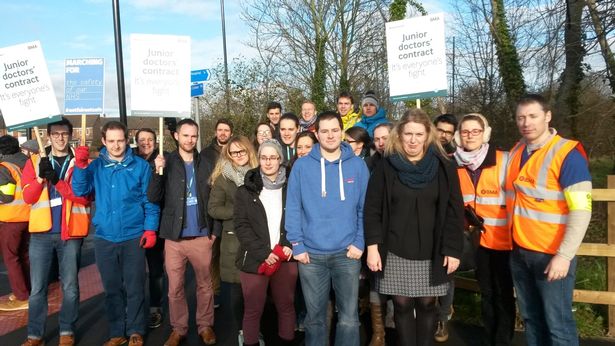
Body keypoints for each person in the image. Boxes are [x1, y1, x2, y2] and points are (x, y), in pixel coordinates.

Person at [364, 109, 463, 346]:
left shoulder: (444, 166)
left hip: (433, 249)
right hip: (395, 247)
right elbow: (372, 209)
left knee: (428, 303)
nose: (413, 140)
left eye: (419, 134)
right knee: (401, 304)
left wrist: (453, 248)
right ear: (399, 135)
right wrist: (372, 247)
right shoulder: (386, 167)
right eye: (408, 133)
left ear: (428, 135)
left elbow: (453, 211)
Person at [506, 94, 592, 346]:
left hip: (551, 254)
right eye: (521, 117)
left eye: (533, 116)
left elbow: (581, 209)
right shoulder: (517, 149)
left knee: (558, 324)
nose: (526, 122)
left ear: (548, 116)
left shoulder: (567, 153)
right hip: (520, 251)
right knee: (532, 319)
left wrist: (564, 255)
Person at [72, 121, 160, 346]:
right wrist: (81, 167)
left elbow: (150, 201)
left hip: (133, 236)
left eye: (120, 140)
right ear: (103, 141)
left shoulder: (140, 167)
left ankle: (135, 330)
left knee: (134, 286)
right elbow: (80, 192)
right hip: (105, 237)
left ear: (126, 140)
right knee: (112, 289)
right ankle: (116, 332)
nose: (116, 145)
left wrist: (150, 228)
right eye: (111, 141)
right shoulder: (96, 167)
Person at [286, 111, 370, 346]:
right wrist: (297, 244)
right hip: (310, 255)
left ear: (342, 131)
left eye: (335, 130)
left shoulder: (358, 167)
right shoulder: (302, 167)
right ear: (317, 133)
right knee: (315, 319)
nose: (330, 135)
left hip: (347, 253)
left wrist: (359, 242)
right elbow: (293, 208)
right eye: (324, 131)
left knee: (349, 318)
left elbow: (366, 209)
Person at [19, 118, 91, 346]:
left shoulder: (80, 162)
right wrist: (41, 177)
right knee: (37, 288)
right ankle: (34, 335)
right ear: (48, 136)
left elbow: (84, 196)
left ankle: (67, 330)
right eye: (56, 134)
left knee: (70, 286)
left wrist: (57, 180)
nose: (60, 138)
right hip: (41, 233)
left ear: (70, 135)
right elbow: (29, 198)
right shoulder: (34, 161)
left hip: (70, 233)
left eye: (64, 134)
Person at [147, 119, 217, 346]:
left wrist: (214, 231)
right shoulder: (165, 162)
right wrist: (157, 172)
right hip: (174, 238)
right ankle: (179, 329)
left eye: (194, 136)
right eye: (185, 135)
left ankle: (205, 326)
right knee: (174, 288)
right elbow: (153, 197)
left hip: (202, 235)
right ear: (176, 136)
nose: (190, 140)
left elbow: (215, 197)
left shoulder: (207, 162)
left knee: (205, 286)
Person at [453, 113, 514, 345]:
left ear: (485, 134)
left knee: (503, 295)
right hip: (475, 241)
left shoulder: (504, 159)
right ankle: (490, 338)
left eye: (475, 131)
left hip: (503, 241)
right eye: (466, 132)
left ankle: (503, 340)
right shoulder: (453, 162)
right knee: (487, 294)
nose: (470, 136)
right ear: (459, 136)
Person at [234, 139, 298, 346]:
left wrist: (288, 243)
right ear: (258, 159)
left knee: (286, 306)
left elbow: (299, 219)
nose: (268, 162)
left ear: (280, 159)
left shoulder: (292, 188)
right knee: (253, 309)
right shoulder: (245, 191)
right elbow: (242, 226)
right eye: (263, 157)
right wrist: (263, 253)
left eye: (273, 157)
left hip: (285, 257)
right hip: (255, 259)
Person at [208, 135, 258, 344]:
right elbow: (214, 208)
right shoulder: (223, 178)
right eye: (233, 152)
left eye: (242, 151)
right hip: (233, 239)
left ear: (249, 152)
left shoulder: (260, 175)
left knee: (256, 292)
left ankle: (255, 330)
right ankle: (241, 331)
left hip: (258, 239)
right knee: (238, 293)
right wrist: (239, 210)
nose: (238, 156)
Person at [134, 128, 166, 329]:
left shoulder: (164, 160)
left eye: (150, 139)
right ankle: (135, 308)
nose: (146, 143)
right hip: (135, 224)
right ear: (136, 142)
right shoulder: (130, 162)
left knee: (155, 270)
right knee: (134, 272)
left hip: (156, 224)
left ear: (156, 141)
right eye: (142, 140)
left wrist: (160, 169)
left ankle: (155, 307)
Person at [432, 113, 458, 341]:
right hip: (425, 223)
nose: (443, 135)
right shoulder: (422, 151)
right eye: (440, 130)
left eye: (448, 132)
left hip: (446, 223)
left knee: (447, 274)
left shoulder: (453, 158)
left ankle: (443, 319)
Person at [0, 135, 31, 312]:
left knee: (11, 258)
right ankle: (27, 289)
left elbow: (6, 195)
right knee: (23, 255)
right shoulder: (25, 162)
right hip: (27, 215)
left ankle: (21, 296)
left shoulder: (5, 167)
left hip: (11, 218)